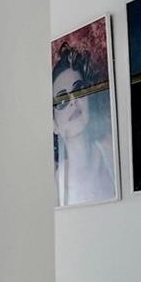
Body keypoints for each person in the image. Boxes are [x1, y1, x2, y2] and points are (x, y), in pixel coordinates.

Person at [52, 44, 117, 206]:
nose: (73, 101)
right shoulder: (53, 187)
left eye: (79, 90)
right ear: (54, 125)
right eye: (62, 100)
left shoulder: (112, 150)